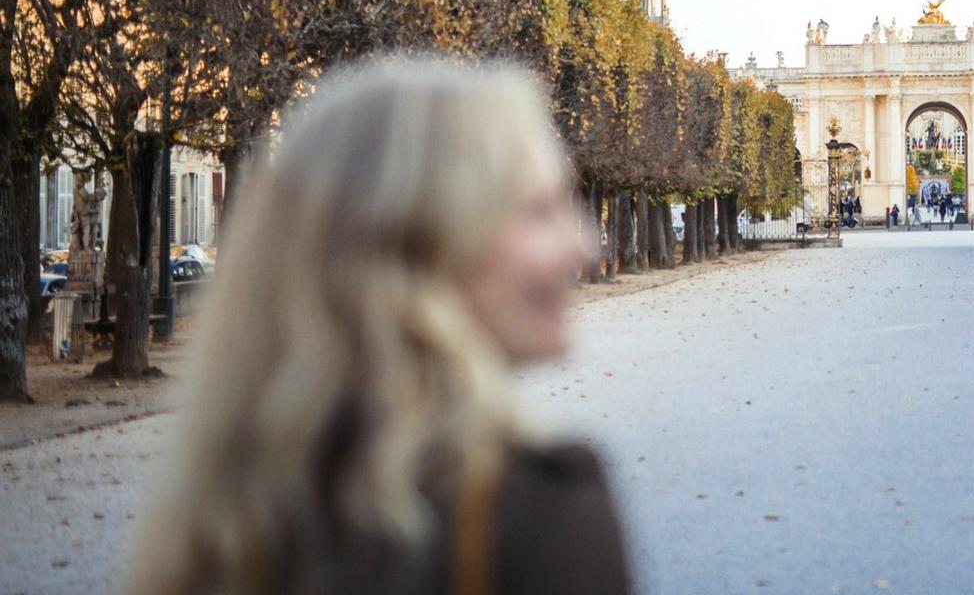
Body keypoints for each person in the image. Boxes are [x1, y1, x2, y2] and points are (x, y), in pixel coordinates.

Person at [129, 58, 632, 595]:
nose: (584, 246)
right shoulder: (542, 515)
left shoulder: (216, 522)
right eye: (538, 211)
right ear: (418, 248)